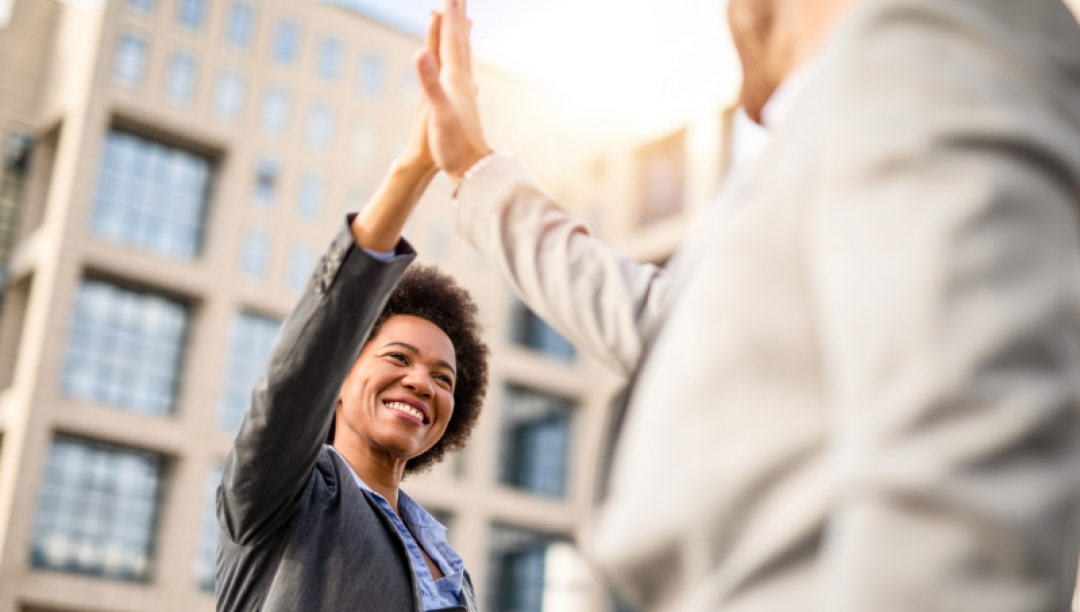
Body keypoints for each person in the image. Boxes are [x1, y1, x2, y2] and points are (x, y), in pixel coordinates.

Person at [414, 0, 1080, 610]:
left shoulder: (919, 51)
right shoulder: (859, 106)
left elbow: (964, 476)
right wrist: (476, 169)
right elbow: (666, 324)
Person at [215, 14, 489, 612]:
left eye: (444, 379)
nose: (422, 381)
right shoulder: (284, 491)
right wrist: (417, 165)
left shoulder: (448, 563)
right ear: (338, 377)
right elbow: (295, 379)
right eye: (399, 358)